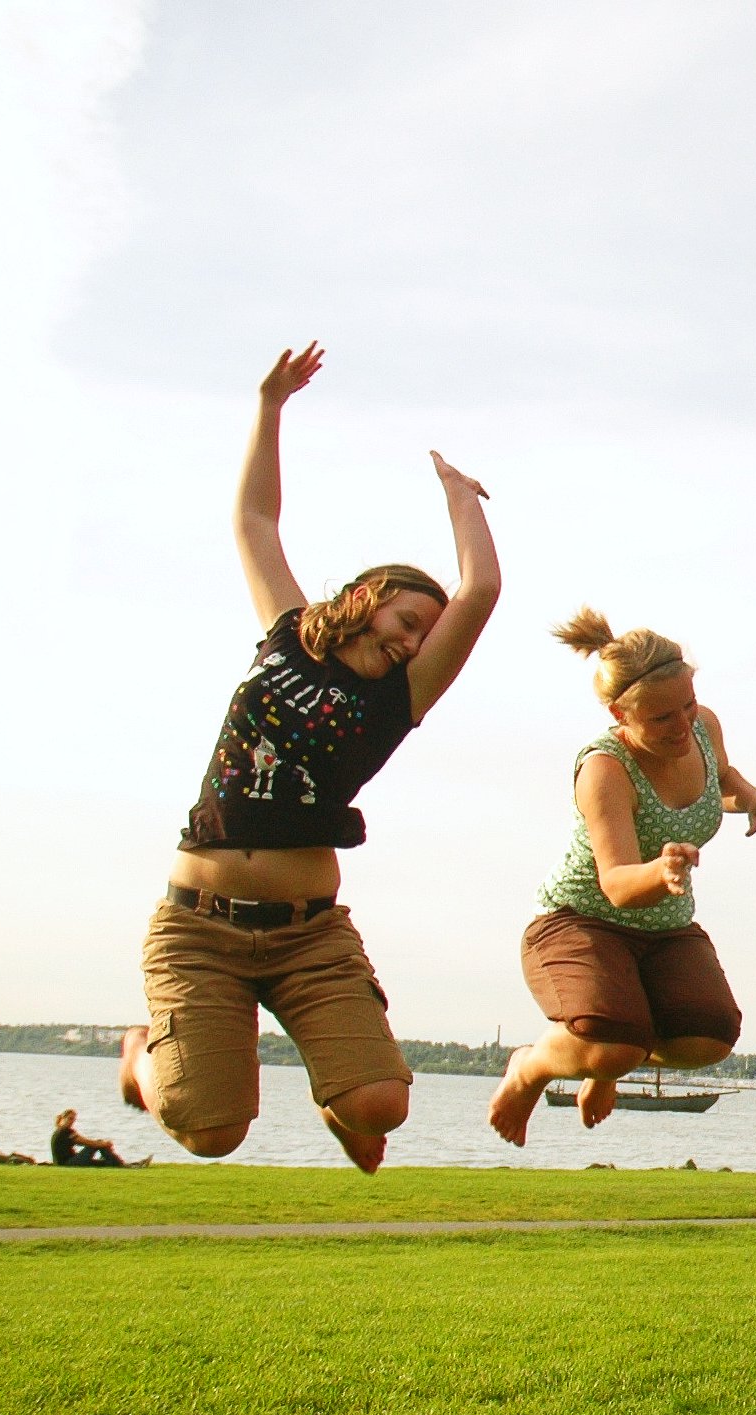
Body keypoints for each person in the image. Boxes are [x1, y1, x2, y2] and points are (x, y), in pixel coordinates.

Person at [117, 344, 500, 1171]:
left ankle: (342, 1104)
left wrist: (460, 497)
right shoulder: (287, 636)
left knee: (380, 1104)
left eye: (426, 639)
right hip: (199, 930)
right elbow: (255, 523)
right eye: (407, 619)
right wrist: (270, 407)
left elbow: (481, 592)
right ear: (367, 597)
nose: (413, 642)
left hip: (309, 937)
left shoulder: (399, 701)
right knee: (211, 1133)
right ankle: (140, 1059)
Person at [486, 611, 756, 1145]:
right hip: (580, 922)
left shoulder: (703, 728)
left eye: (687, 706)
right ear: (619, 715)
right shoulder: (604, 770)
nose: (681, 726)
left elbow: (720, 778)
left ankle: (612, 1057)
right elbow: (618, 884)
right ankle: (532, 1067)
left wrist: (753, 801)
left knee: (710, 1037)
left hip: (666, 928)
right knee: (613, 1043)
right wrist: (660, 868)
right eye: (660, 719)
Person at [48, 1110, 125, 1168]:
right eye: (70, 1119)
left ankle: (114, 1162)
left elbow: (81, 1142)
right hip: (68, 1163)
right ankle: (117, 1162)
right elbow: (88, 1143)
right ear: (63, 1118)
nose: (72, 1122)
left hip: (63, 1163)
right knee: (98, 1143)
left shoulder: (58, 1131)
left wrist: (102, 1144)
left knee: (101, 1162)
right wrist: (105, 1144)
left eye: (73, 1120)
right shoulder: (66, 1131)